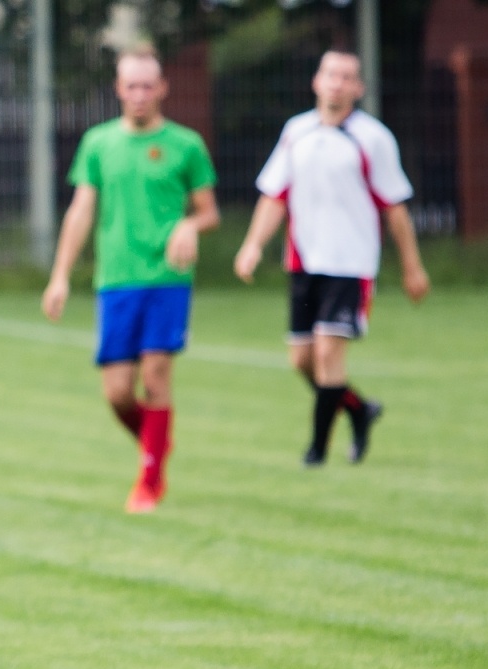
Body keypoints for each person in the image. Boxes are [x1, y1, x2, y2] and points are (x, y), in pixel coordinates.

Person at [42, 46, 220, 514]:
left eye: (148, 85)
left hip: (167, 277)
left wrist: (188, 225)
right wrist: (60, 276)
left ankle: (149, 481)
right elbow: (81, 211)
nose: (140, 94)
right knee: (118, 392)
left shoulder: (186, 145)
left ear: (162, 89)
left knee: (156, 377)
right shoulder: (99, 143)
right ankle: (156, 442)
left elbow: (209, 212)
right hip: (115, 279)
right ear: (118, 90)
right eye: (131, 86)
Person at [233, 49, 429, 466]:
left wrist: (412, 267)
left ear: (358, 88)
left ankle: (316, 453)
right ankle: (358, 410)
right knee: (302, 360)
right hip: (304, 263)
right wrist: (253, 244)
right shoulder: (296, 132)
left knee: (327, 355)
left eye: (346, 77)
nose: (337, 83)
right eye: (330, 74)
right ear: (316, 81)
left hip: (350, 264)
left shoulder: (372, 138)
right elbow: (274, 195)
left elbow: (395, 209)